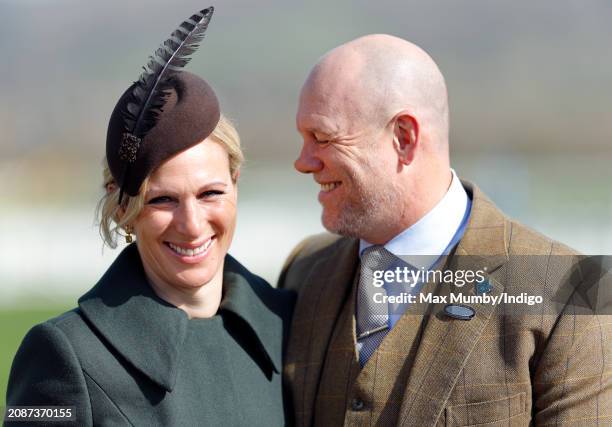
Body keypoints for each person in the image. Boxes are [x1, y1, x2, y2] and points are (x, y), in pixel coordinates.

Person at [279, 34, 610, 426]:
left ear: (404, 137)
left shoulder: (570, 293)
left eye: (322, 138)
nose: (303, 162)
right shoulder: (304, 271)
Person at [6, 8, 293, 426]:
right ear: (123, 209)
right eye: (162, 200)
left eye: (210, 193)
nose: (192, 224)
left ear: (236, 184)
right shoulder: (64, 354)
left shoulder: (288, 324)